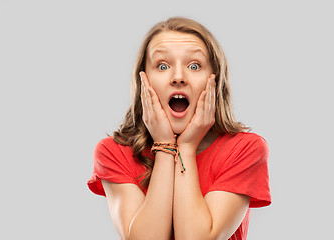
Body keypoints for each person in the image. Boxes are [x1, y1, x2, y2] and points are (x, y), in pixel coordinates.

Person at [87, 17, 271, 240]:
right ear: (143, 82)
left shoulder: (246, 149)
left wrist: (186, 146)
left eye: (194, 66)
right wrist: (166, 146)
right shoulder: (113, 152)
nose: (178, 77)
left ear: (214, 80)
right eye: (163, 66)